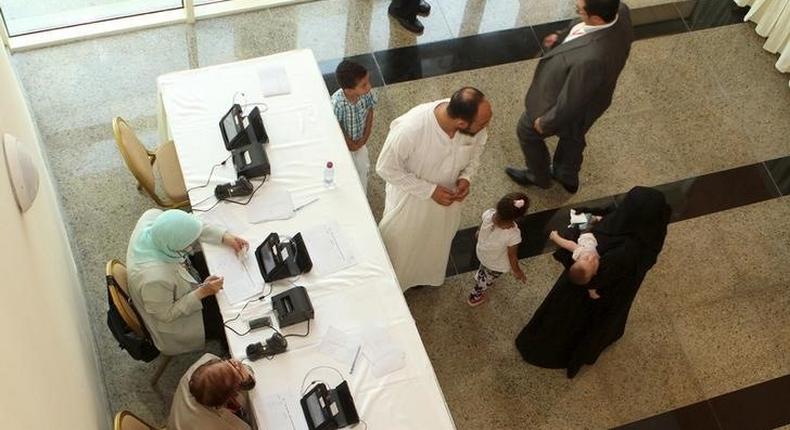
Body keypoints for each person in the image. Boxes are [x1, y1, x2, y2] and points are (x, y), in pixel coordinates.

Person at [515, 186, 670, 378]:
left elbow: (591, 272)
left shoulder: (625, 251)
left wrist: (580, 232)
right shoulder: (651, 228)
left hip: (588, 293)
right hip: (616, 289)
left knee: (567, 321)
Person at [506, 0, 634, 194]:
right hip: (596, 98)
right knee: (574, 134)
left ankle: (538, 176)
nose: (576, 8)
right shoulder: (621, 11)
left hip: (569, 98)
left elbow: (571, 100)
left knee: (527, 131)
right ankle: (566, 173)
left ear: (597, 18)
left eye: (579, 10)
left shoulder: (591, 59)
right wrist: (562, 37)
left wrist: (546, 122)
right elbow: (581, 30)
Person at [377, 87, 492, 291]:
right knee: (402, 248)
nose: (486, 127)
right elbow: (385, 168)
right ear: (461, 123)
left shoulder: (473, 126)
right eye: (482, 123)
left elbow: (476, 152)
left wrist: (466, 178)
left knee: (433, 244)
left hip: (447, 204)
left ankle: (421, 276)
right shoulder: (411, 130)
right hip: (411, 203)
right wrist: (430, 191)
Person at [127, 209, 248, 355]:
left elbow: (190, 226)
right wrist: (201, 292)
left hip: (178, 281)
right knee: (229, 317)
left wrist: (225, 237)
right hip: (174, 323)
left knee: (206, 260)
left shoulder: (152, 218)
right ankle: (229, 348)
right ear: (176, 246)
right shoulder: (154, 279)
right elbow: (165, 314)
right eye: (189, 243)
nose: (193, 244)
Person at [468, 192, 529, 307]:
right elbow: (512, 257)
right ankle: (474, 297)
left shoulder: (488, 214)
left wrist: (479, 234)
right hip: (495, 264)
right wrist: (517, 271)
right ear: (517, 217)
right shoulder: (513, 235)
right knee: (485, 280)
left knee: (484, 266)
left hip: (482, 252)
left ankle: (480, 274)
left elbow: (479, 229)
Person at [168, 353, 256, 430]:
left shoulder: (205, 366)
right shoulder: (221, 425)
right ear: (232, 394)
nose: (236, 361)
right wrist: (247, 377)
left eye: (228, 362)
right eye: (238, 370)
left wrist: (240, 374)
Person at [331, 60, 377, 193]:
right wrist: (349, 143)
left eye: (368, 82)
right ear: (349, 91)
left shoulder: (366, 94)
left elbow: (370, 110)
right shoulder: (338, 104)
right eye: (363, 85)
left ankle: (363, 194)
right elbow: (337, 126)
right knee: (347, 172)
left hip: (360, 142)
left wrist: (365, 137)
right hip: (344, 146)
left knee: (363, 169)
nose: (369, 87)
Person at [549, 217, 603, 299]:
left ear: (577, 260)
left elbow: (568, 244)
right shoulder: (596, 273)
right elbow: (591, 284)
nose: (591, 258)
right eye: (592, 264)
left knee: (586, 223)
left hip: (586, 235)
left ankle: (594, 218)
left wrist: (555, 237)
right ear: (594, 273)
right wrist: (592, 292)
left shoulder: (581, 253)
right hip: (597, 239)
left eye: (586, 259)